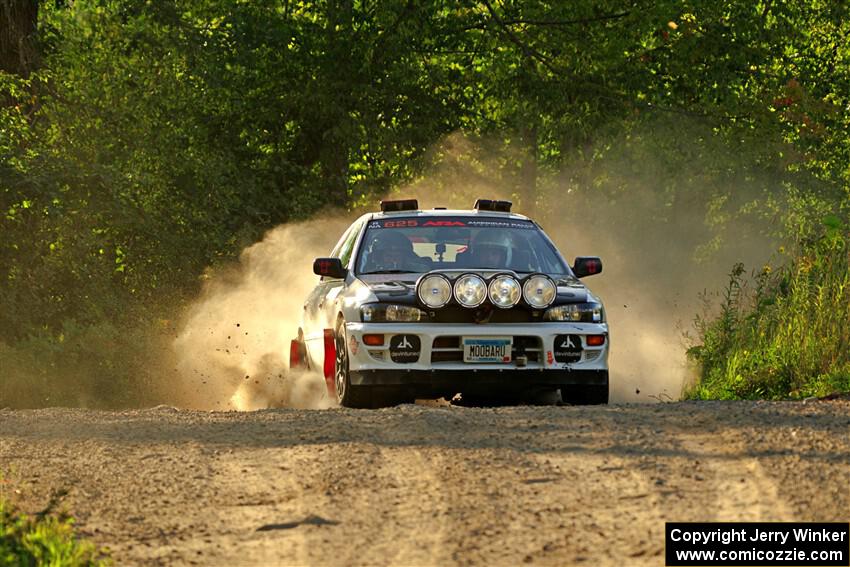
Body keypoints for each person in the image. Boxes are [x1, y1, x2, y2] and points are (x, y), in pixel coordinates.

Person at [362, 231, 431, 272]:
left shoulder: (419, 271)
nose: (393, 260)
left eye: (397, 256)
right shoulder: (367, 275)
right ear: (379, 257)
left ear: (404, 257)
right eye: (389, 256)